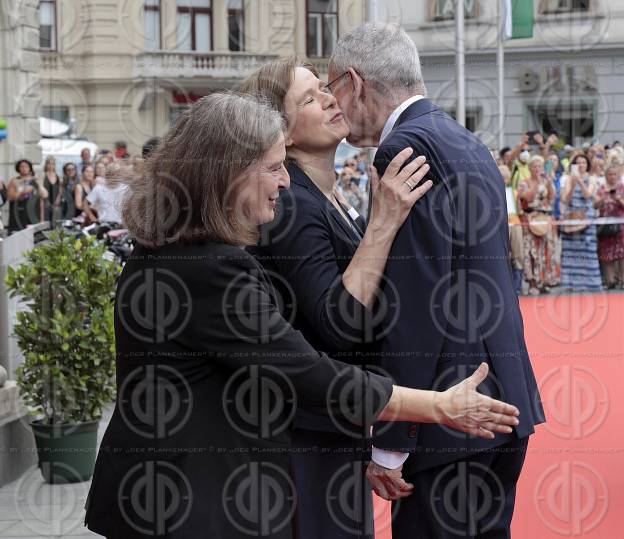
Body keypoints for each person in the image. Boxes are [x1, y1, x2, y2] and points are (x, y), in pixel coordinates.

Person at [83, 92, 520, 539]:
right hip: (190, 501)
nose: (285, 183)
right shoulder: (208, 268)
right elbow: (309, 373)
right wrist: (439, 406)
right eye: (273, 167)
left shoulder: (170, 250)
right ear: (228, 174)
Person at [328, 23, 544, 539]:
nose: (332, 105)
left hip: (452, 417)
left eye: (330, 87)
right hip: (501, 397)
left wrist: (390, 440)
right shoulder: (463, 139)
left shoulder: (403, 148)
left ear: (354, 83)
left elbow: (416, 303)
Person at [240, 57, 432, 539]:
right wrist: (385, 221)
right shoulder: (292, 205)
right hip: (305, 430)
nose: (328, 98)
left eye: (324, 88)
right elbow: (340, 321)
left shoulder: (326, 195)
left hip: (335, 419)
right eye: (307, 98)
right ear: (279, 131)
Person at [560, 153, 602, 292]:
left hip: (587, 220)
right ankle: (571, 283)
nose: (581, 165)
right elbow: (565, 199)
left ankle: (591, 283)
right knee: (571, 252)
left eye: (583, 162)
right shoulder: (567, 180)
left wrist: (579, 181)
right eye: (578, 163)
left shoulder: (592, 178)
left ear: (587, 165)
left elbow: (588, 195)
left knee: (588, 251)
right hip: (572, 219)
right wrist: (572, 183)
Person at [517, 155, 558, 295]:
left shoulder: (546, 181)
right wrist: (537, 184)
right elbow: (526, 199)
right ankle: (533, 282)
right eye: (534, 166)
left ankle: (545, 281)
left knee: (547, 251)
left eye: (539, 166)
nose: (537, 168)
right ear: (529, 168)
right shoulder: (524, 183)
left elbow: (552, 197)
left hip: (544, 219)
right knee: (531, 252)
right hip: (530, 219)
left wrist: (548, 183)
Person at [595, 164, 624, 288]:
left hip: (621, 224)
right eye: (609, 174)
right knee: (606, 252)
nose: (612, 177)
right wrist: (603, 198)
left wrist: (618, 199)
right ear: (605, 176)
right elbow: (595, 205)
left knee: (622, 253)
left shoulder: (622, 188)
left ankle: (622, 279)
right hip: (605, 225)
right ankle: (610, 280)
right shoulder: (601, 188)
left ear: (618, 176)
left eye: (615, 174)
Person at [6, 159, 48, 233]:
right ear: (18, 168)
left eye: (26, 166)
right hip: (19, 212)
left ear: (30, 168)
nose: (24, 168)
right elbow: (10, 197)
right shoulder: (14, 180)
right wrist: (22, 191)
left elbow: (44, 195)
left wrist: (39, 184)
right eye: (21, 166)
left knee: (35, 237)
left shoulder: (35, 180)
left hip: (33, 213)